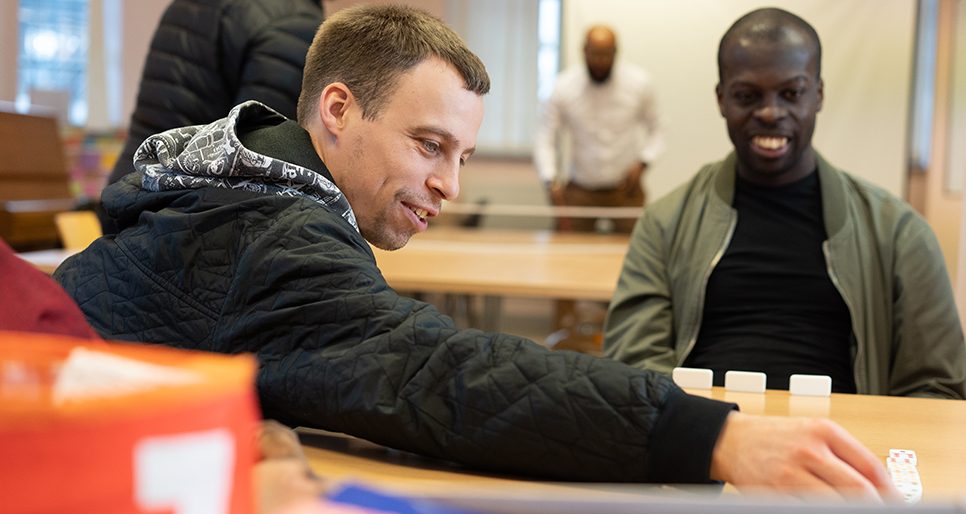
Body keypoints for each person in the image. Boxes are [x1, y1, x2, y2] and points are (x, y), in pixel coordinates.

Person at [56, 5, 896, 497]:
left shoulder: (236, 188)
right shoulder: (268, 235)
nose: (451, 185)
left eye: (460, 154)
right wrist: (715, 436)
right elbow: (441, 375)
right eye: (429, 145)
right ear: (339, 111)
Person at [604, 8, 966, 399]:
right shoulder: (665, 223)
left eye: (791, 93)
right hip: (703, 443)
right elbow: (633, 367)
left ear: (819, 94)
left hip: (844, 449)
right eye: (747, 96)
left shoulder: (898, 233)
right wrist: (707, 436)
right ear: (722, 100)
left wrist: (869, 447)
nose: (771, 113)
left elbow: (936, 385)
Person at [100, 0, 324, 232]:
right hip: (193, 228)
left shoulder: (189, 5)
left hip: (132, 199)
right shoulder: (292, 22)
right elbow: (259, 164)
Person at [533, 24, 664, 234]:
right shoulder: (563, 87)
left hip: (626, 189)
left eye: (606, 55)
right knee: (567, 251)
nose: (600, 62)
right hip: (580, 189)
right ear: (584, 51)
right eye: (595, 55)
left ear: (616, 52)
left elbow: (658, 130)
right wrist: (550, 180)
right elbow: (545, 137)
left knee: (640, 249)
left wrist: (643, 163)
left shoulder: (639, 84)